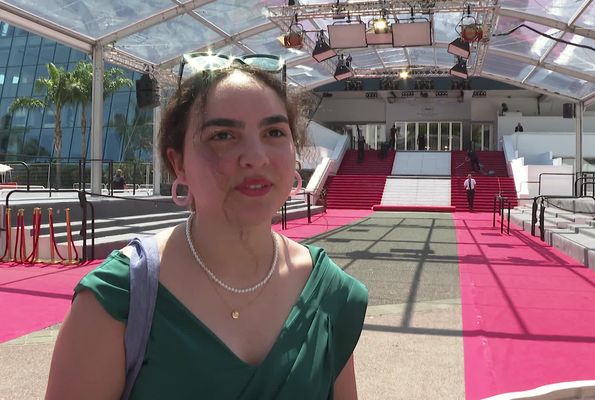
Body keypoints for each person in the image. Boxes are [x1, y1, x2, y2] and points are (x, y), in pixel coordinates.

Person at [45, 63, 368, 399]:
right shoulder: (117, 298)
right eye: (223, 136)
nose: (256, 158)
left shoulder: (329, 292)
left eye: (274, 132)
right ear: (178, 163)